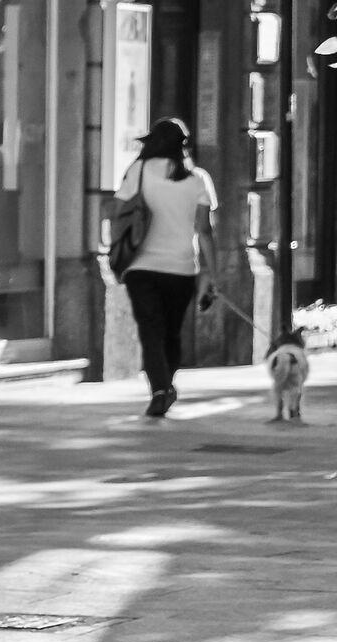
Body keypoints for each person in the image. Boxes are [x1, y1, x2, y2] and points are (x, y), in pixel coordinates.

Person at [113, 118, 217, 419]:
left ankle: (160, 389)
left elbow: (118, 210)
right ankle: (166, 385)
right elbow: (205, 231)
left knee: (150, 329)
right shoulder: (198, 179)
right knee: (171, 333)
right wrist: (213, 276)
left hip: (141, 267)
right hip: (181, 270)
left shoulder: (139, 170)